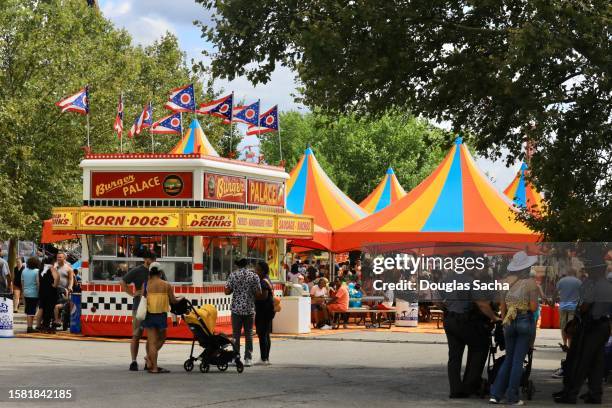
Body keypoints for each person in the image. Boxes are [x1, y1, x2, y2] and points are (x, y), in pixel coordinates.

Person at [554, 250, 612, 404]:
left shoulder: (595, 284)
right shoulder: (606, 284)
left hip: (591, 325)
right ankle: (595, 393)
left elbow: (585, 305)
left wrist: (577, 316)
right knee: (597, 362)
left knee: (581, 360)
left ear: (595, 270)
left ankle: (571, 393)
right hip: (603, 325)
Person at [439, 259, 500, 399]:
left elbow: (436, 301)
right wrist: (494, 318)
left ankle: (455, 390)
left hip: (449, 320)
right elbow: (482, 304)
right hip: (465, 321)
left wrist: (448, 309)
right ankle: (468, 386)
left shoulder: (445, 280)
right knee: (480, 347)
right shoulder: (471, 282)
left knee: (454, 356)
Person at [490, 251, 540, 405]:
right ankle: (512, 397)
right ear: (526, 267)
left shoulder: (504, 282)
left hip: (509, 322)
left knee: (508, 359)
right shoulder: (531, 283)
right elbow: (533, 307)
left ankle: (496, 394)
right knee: (518, 361)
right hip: (524, 320)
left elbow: (502, 307)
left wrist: (505, 320)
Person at [119, 250, 157, 371]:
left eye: (154, 259)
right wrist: (133, 293)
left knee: (151, 336)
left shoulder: (157, 271)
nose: (153, 261)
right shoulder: (138, 270)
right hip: (138, 307)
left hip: (153, 307)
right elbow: (123, 282)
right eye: (151, 259)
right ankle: (133, 361)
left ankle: (149, 360)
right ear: (145, 260)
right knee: (136, 334)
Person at [141, 263, 178, 374]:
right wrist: (181, 299)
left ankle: (152, 364)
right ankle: (151, 362)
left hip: (149, 314)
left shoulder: (146, 284)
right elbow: (173, 301)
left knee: (151, 341)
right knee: (162, 338)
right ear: (160, 273)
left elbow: (143, 299)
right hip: (161, 314)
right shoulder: (166, 285)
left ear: (150, 273)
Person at [225, 258, 261, 367]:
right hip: (249, 309)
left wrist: (234, 288)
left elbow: (226, 291)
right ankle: (248, 359)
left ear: (237, 265)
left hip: (236, 309)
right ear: (247, 265)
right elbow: (258, 293)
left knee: (236, 334)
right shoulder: (254, 276)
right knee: (249, 334)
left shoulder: (233, 275)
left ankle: (235, 357)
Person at [254, 261, 275, 365]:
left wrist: (253, 295)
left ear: (262, 270)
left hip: (264, 310)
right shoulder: (266, 279)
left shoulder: (263, 281)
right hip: (268, 310)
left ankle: (264, 358)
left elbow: (263, 296)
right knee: (265, 334)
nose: (255, 271)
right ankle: (266, 357)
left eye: (257, 269)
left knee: (262, 334)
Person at [556, 269, 582, 351]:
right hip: (573, 307)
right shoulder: (578, 282)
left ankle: (564, 344)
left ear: (568, 273)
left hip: (562, 306)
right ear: (574, 273)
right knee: (571, 326)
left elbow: (555, 291)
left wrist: (552, 301)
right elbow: (583, 294)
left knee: (563, 326)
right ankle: (570, 345)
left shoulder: (561, 281)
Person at [38, 258, 60, 333]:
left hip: (42, 291)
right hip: (50, 291)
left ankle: (44, 325)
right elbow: (56, 277)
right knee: (50, 309)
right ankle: (48, 326)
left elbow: (38, 281)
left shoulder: (41, 269)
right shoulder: (51, 268)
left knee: (44, 308)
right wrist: (55, 285)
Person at [53, 252, 74, 328]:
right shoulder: (54, 266)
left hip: (64, 290)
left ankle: (62, 320)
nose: (58, 259)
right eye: (57, 257)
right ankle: (55, 320)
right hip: (54, 290)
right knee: (53, 305)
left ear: (64, 258)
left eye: (60, 257)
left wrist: (70, 286)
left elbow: (71, 279)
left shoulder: (68, 268)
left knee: (62, 306)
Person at [21, 257, 40, 333]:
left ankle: (30, 326)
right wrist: (39, 292)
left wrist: (23, 292)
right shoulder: (37, 271)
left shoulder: (24, 271)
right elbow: (38, 283)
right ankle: (29, 327)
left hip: (26, 292)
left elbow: (22, 283)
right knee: (31, 311)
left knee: (29, 310)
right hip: (34, 293)